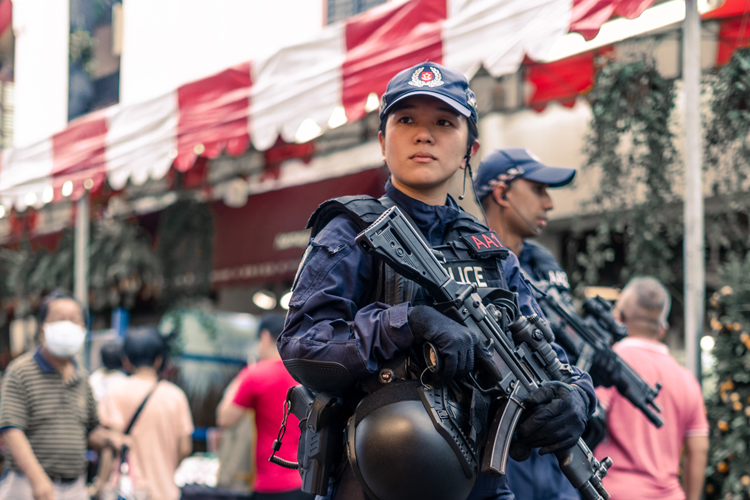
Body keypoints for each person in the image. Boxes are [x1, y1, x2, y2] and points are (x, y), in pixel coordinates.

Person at [277, 62, 596, 500]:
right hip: (376, 483)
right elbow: (304, 346)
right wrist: (409, 322)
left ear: (470, 148)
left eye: (444, 123)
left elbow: (551, 354)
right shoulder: (350, 231)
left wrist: (576, 398)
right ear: (381, 141)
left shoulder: (489, 250)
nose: (423, 135)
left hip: (481, 486)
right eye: (405, 120)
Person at [473, 148, 584, 500]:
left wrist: (582, 398)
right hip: (496, 456)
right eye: (538, 190)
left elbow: (566, 353)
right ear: (502, 193)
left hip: (553, 459)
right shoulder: (464, 258)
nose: (549, 203)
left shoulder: (541, 264)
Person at [0, 290, 121, 500]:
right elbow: (11, 429)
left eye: (75, 320)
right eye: (58, 319)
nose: (67, 325)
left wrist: (110, 438)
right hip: (28, 485)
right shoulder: (21, 371)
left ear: (84, 328)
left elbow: (89, 431)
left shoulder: (82, 378)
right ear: (43, 327)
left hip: (74, 487)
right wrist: (37, 479)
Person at [594, 277, 708, 500]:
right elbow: (699, 449)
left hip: (613, 493)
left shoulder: (608, 366)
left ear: (618, 318)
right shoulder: (687, 380)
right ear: (662, 329)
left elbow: (588, 421)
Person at [216, 314, 311, 500]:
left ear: (265, 337)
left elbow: (224, 419)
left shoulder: (256, 374)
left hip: (271, 483)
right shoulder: (304, 373)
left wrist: (241, 378)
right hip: (306, 480)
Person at [96, 328, 194, 500]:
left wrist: (100, 485)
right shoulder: (176, 396)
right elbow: (185, 448)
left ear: (126, 361)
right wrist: (164, 467)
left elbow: (112, 446)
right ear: (158, 360)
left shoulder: (117, 392)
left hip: (128, 492)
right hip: (166, 492)